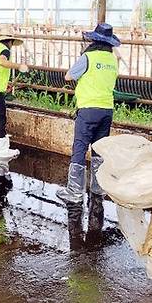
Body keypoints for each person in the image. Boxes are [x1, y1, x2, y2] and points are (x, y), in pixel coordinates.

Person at [56, 23, 120, 204]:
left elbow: (69, 76)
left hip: (88, 110)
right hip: (107, 110)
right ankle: (97, 188)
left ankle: (75, 192)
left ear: (93, 40)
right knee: (99, 149)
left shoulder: (88, 57)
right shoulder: (112, 60)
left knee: (80, 148)